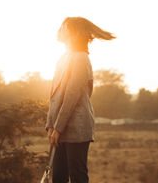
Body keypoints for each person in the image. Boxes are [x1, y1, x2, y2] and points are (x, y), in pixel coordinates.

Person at [45, 17, 115, 183]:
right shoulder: (62, 58)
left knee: (78, 176)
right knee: (58, 177)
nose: (60, 30)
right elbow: (54, 97)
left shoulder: (81, 58)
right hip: (58, 128)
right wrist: (50, 125)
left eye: (64, 27)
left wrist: (57, 128)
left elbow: (72, 96)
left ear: (73, 33)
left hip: (77, 126)